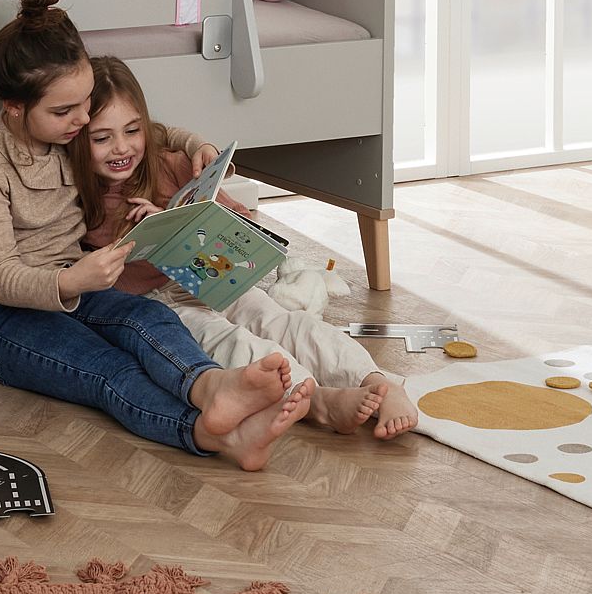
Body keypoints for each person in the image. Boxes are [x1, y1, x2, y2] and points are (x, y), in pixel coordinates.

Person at [0, 0, 312, 468]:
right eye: (64, 111)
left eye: (84, 104)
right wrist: (71, 280)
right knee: (109, 368)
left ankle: (212, 387)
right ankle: (211, 435)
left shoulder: (69, 131)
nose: (82, 119)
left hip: (80, 286)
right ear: (14, 107)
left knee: (150, 318)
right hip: (7, 318)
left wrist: (197, 144)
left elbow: (152, 131)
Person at [71, 54, 417, 440]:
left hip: (208, 280)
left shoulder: (169, 164)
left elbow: (235, 221)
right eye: (102, 138)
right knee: (231, 342)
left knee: (284, 322)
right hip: (156, 304)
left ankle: (380, 382)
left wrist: (181, 217)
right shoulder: (77, 199)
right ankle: (319, 401)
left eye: (132, 131)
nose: (122, 148)